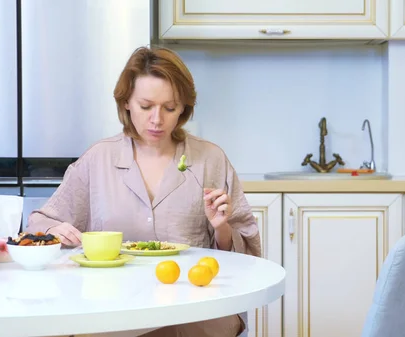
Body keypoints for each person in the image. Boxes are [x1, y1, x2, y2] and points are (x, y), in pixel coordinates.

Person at [25, 46, 261, 337]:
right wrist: (56, 230)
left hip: (195, 309)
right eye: (146, 106)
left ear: (184, 108)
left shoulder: (210, 159)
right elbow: (38, 225)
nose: (157, 120)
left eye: (170, 108)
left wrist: (222, 227)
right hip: (111, 308)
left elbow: (247, 258)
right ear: (126, 103)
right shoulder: (99, 159)